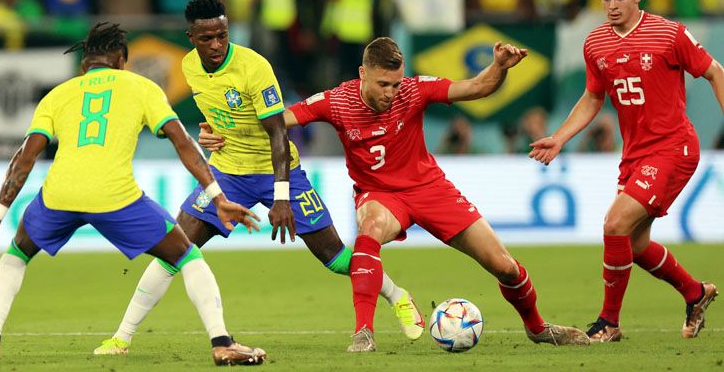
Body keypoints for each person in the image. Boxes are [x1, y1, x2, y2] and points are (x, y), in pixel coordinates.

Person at [201, 37, 591, 351]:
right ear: (362, 74)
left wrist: (499, 68)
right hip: (379, 194)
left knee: (504, 265)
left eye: (395, 84)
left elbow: (477, 87)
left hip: (430, 189)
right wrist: (216, 128)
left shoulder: (415, 91)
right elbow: (274, 121)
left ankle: (539, 329)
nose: (390, 93)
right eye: (383, 84)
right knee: (368, 230)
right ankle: (363, 333)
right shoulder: (336, 100)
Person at [93, 0, 422, 356]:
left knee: (334, 257)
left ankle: (398, 295)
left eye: (222, 34)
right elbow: (218, 116)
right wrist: (209, 133)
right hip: (228, 172)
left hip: (278, 170)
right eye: (207, 38)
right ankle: (121, 337)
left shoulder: (254, 67)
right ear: (191, 37)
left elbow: (279, 133)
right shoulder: (189, 67)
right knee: (173, 249)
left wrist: (281, 198)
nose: (217, 44)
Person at [0, 23, 266, 367]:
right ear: (122, 59)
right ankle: (221, 343)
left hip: (58, 196)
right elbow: (182, 141)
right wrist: (217, 196)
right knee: (187, 257)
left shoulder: (58, 94)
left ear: (85, 65)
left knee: (16, 254)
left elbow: (24, 157)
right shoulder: (142, 86)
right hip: (116, 196)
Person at [529, 0, 724, 343]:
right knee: (632, 245)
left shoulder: (670, 35)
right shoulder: (596, 43)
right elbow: (592, 97)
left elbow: (716, 72)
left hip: (674, 148)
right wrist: (560, 137)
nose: (613, 5)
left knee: (614, 225)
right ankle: (695, 292)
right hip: (635, 155)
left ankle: (609, 323)